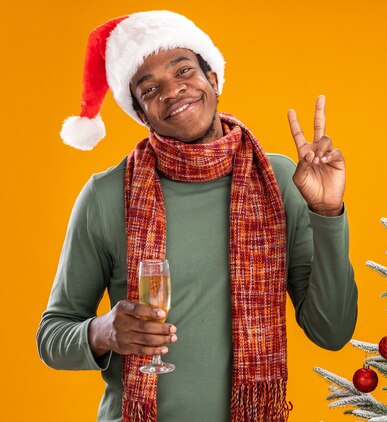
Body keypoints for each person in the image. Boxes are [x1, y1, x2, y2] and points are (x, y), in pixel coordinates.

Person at [36, 10, 357, 422]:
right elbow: (52, 336)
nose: (172, 91)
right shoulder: (106, 194)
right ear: (141, 112)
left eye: (184, 70)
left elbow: (332, 332)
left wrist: (327, 212)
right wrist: (102, 332)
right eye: (150, 89)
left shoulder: (279, 180)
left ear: (214, 80)